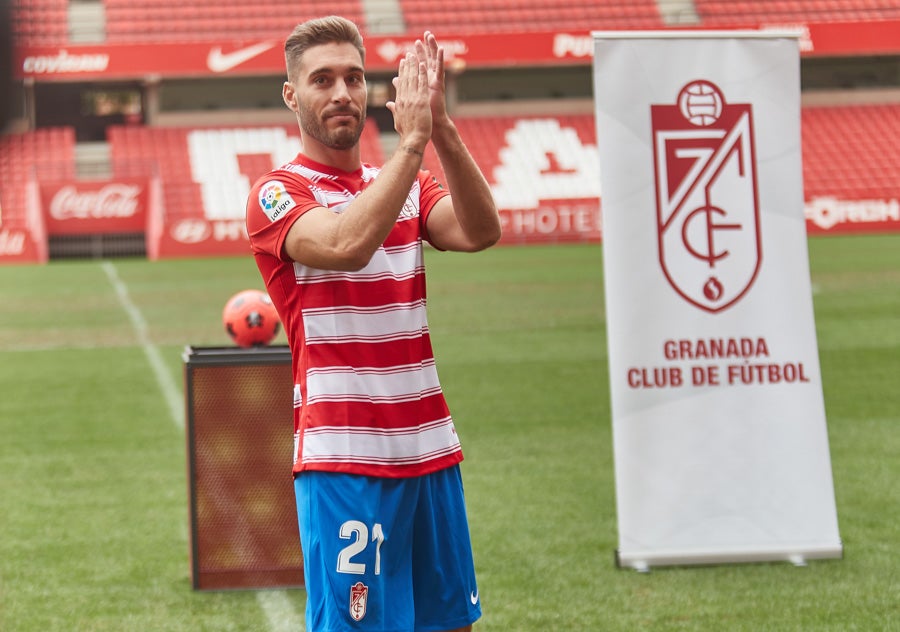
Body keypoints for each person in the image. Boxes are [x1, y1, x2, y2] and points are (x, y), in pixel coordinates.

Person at [245, 15, 501, 632]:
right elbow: (345, 244)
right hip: (345, 460)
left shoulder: (409, 183)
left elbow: (479, 230)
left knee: (450, 624)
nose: (341, 93)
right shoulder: (276, 194)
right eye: (322, 79)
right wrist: (411, 146)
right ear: (291, 95)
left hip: (431, 450)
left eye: (354, 78)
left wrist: (439, 126)